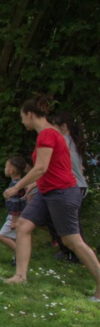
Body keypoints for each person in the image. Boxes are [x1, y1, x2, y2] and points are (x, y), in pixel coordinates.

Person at [4, 97, 100, 300]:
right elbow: (54, 168)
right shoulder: (50, 134)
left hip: (63, 193)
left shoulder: (47, 135)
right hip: (47, 192)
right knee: (23, 225)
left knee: (72, 241)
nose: (22, 122)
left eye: (22, 117)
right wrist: (34, 184)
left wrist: (17, 187)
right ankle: (20, 276)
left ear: (30, 114)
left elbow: (41, 167)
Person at [49, 111, 89, 263]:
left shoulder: (63, 141)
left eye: (53, 125)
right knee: (59, 220)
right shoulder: (71, 140)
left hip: (74, 187)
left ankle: (76, 255)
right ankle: (66, 250)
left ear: (63, 127)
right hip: (77, 186)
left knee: (72, 224)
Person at [0, 155, 33, 258]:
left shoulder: (15, 187)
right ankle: (16, 259)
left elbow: (15, 204)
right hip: (22, 216)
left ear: (11, 170)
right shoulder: (20, 184)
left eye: (5, 167)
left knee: (2, 235)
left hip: (15, 217)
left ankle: (21, 252)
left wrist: (13, 220)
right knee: (17, 237)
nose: (5, 169)